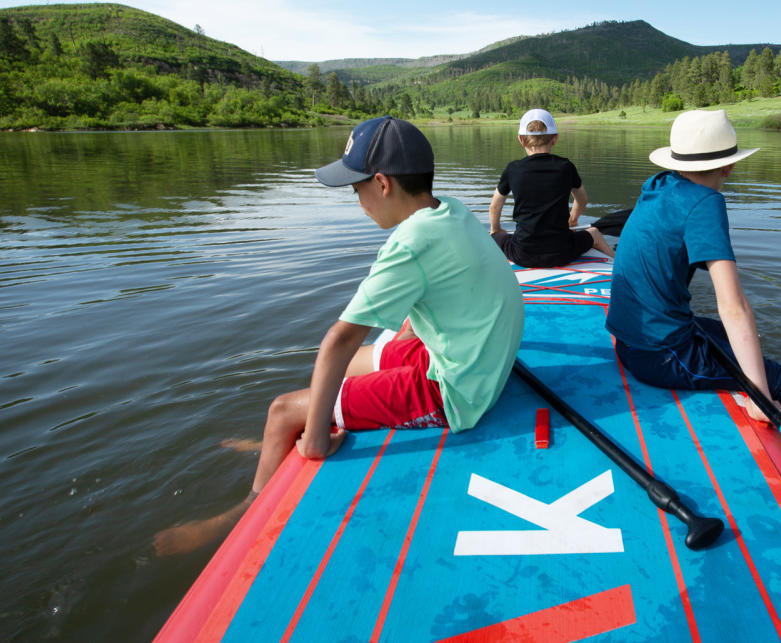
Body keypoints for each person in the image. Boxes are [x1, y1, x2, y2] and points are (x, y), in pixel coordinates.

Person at [153, 116, 524, 555]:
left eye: (356, 188)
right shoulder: (450, 211)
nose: (357, 200)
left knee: (281, 410)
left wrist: (313, 442)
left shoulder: (409, 244)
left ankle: (248, 506)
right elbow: (436, 296)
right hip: (472, 357)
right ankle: (304, 427)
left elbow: (338, 340)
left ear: (382, 183)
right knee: (342, 372)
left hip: (457, 392)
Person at [605, 110, 781, 434]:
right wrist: (759, 395)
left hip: (626, 342)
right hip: (661, 355)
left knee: (748, 340)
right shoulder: (705, 203)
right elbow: (734, 306)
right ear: (729, 165)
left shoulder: (657, 186)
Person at [489, 108, 614, 266]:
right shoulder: (566, 167)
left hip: (522, 254)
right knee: (594, 233)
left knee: (492, 236)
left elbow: (495, 207)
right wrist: (573, 220)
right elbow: (581, 200)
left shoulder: (512, 169)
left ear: (521, 139)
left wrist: (496, 229)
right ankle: (619, 268)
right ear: (554, 139)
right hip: (562, 253)